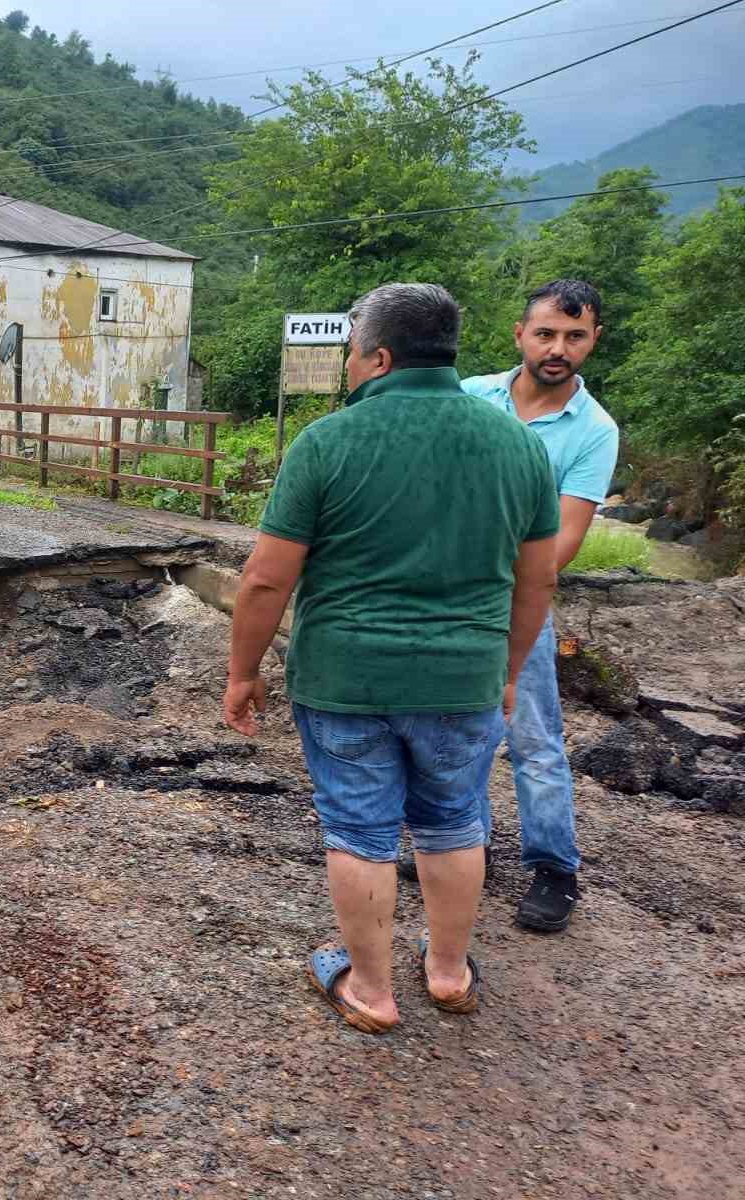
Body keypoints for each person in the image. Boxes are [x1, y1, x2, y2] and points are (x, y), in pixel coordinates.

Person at [222, 282, 560, 1034]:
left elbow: (268, 577)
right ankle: (447, 974)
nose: (346, 367)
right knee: (452, 823)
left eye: (350, 353)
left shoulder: (328, 443)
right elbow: (537, 580)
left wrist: (243, 673)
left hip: (347, 679)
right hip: (463, 677)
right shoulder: (518, 445)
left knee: (360, 830)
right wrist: (505, 672)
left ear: (377, 357)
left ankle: (371, 991)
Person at [442, 279, 619, 933]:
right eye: (545, 333)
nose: (558, 348)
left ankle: (554, 869)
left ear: (592, 341)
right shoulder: (468, 398)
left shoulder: (593, 432)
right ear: (520, 334)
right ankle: (463, 845)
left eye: (574, 337)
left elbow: (563, 543)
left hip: (520, 602)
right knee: (455, 732)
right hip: (444, 596)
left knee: (533, 739)